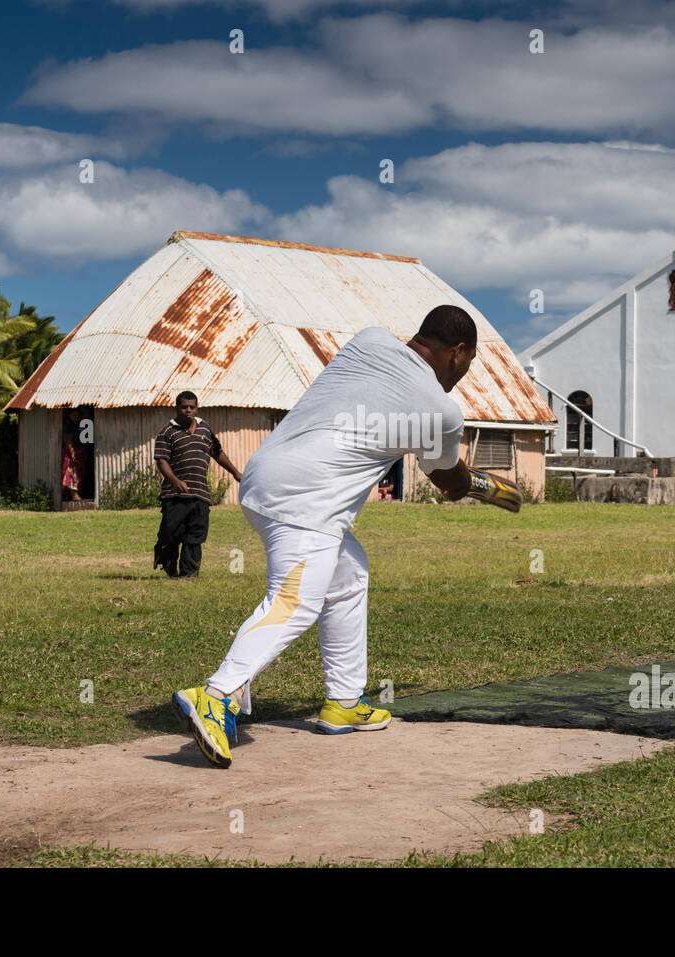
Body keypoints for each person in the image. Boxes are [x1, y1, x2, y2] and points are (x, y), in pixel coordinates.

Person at [174, 305, 486, 768]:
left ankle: (343, 702)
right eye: (468, 364)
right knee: (294, 601)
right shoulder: (441, 411)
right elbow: (449, 483)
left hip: (263, 475)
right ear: (458, 352)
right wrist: (480, 484)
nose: (463, 375)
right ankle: (217, 694)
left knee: (348, 573)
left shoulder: (371, 338)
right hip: (305, 499)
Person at [153, 392, 243, 579]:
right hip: (174, 495)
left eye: (192, 407)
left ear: (197, 408)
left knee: (195, 536)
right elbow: (161, 461)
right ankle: (170, 568)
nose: (188, 410)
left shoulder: (205, 430)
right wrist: (175, 481)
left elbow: (217, 453)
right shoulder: (167, 432)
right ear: (176, 408)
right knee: (170, 535)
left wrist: (235, 472)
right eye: (184, 407)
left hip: (200, 493)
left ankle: (189, 575)